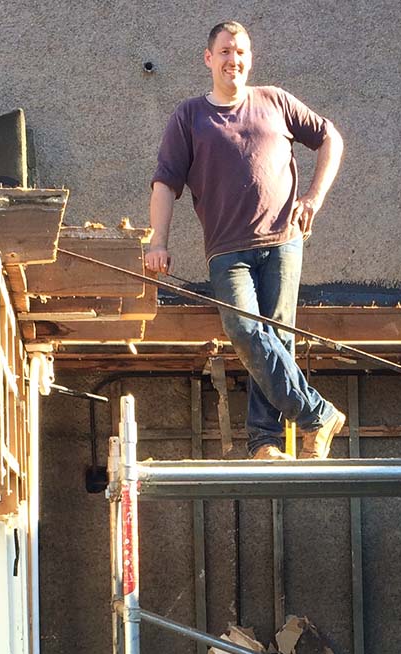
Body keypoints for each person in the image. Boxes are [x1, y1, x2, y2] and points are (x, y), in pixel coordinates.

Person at [146, 21, 346, 460]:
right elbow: (165, 182)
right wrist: (156, 241)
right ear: (208, 58)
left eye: (239, 52)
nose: (232, 59)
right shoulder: (189, 116)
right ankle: (317, 414)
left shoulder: (274, 101)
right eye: (224, 52)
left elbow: (330, 137)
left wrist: (314, 196)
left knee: (276, 339)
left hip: (282, 241)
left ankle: (265, 442)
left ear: (249, 58)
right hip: (226, 250)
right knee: (243, 328)